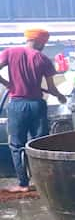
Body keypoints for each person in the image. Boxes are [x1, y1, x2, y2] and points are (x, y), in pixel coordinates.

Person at [0, 29, 67, 193]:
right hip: (37, 104)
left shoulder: (10, 52)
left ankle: (23, 184)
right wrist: (60, 96)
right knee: (39, 144)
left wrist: (7, 84)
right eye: (44, 43)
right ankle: (44, 182)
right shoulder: (43, 58)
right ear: (38, 42)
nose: (44, 47)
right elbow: (51, 87)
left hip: (17, 104)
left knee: (17, 145)